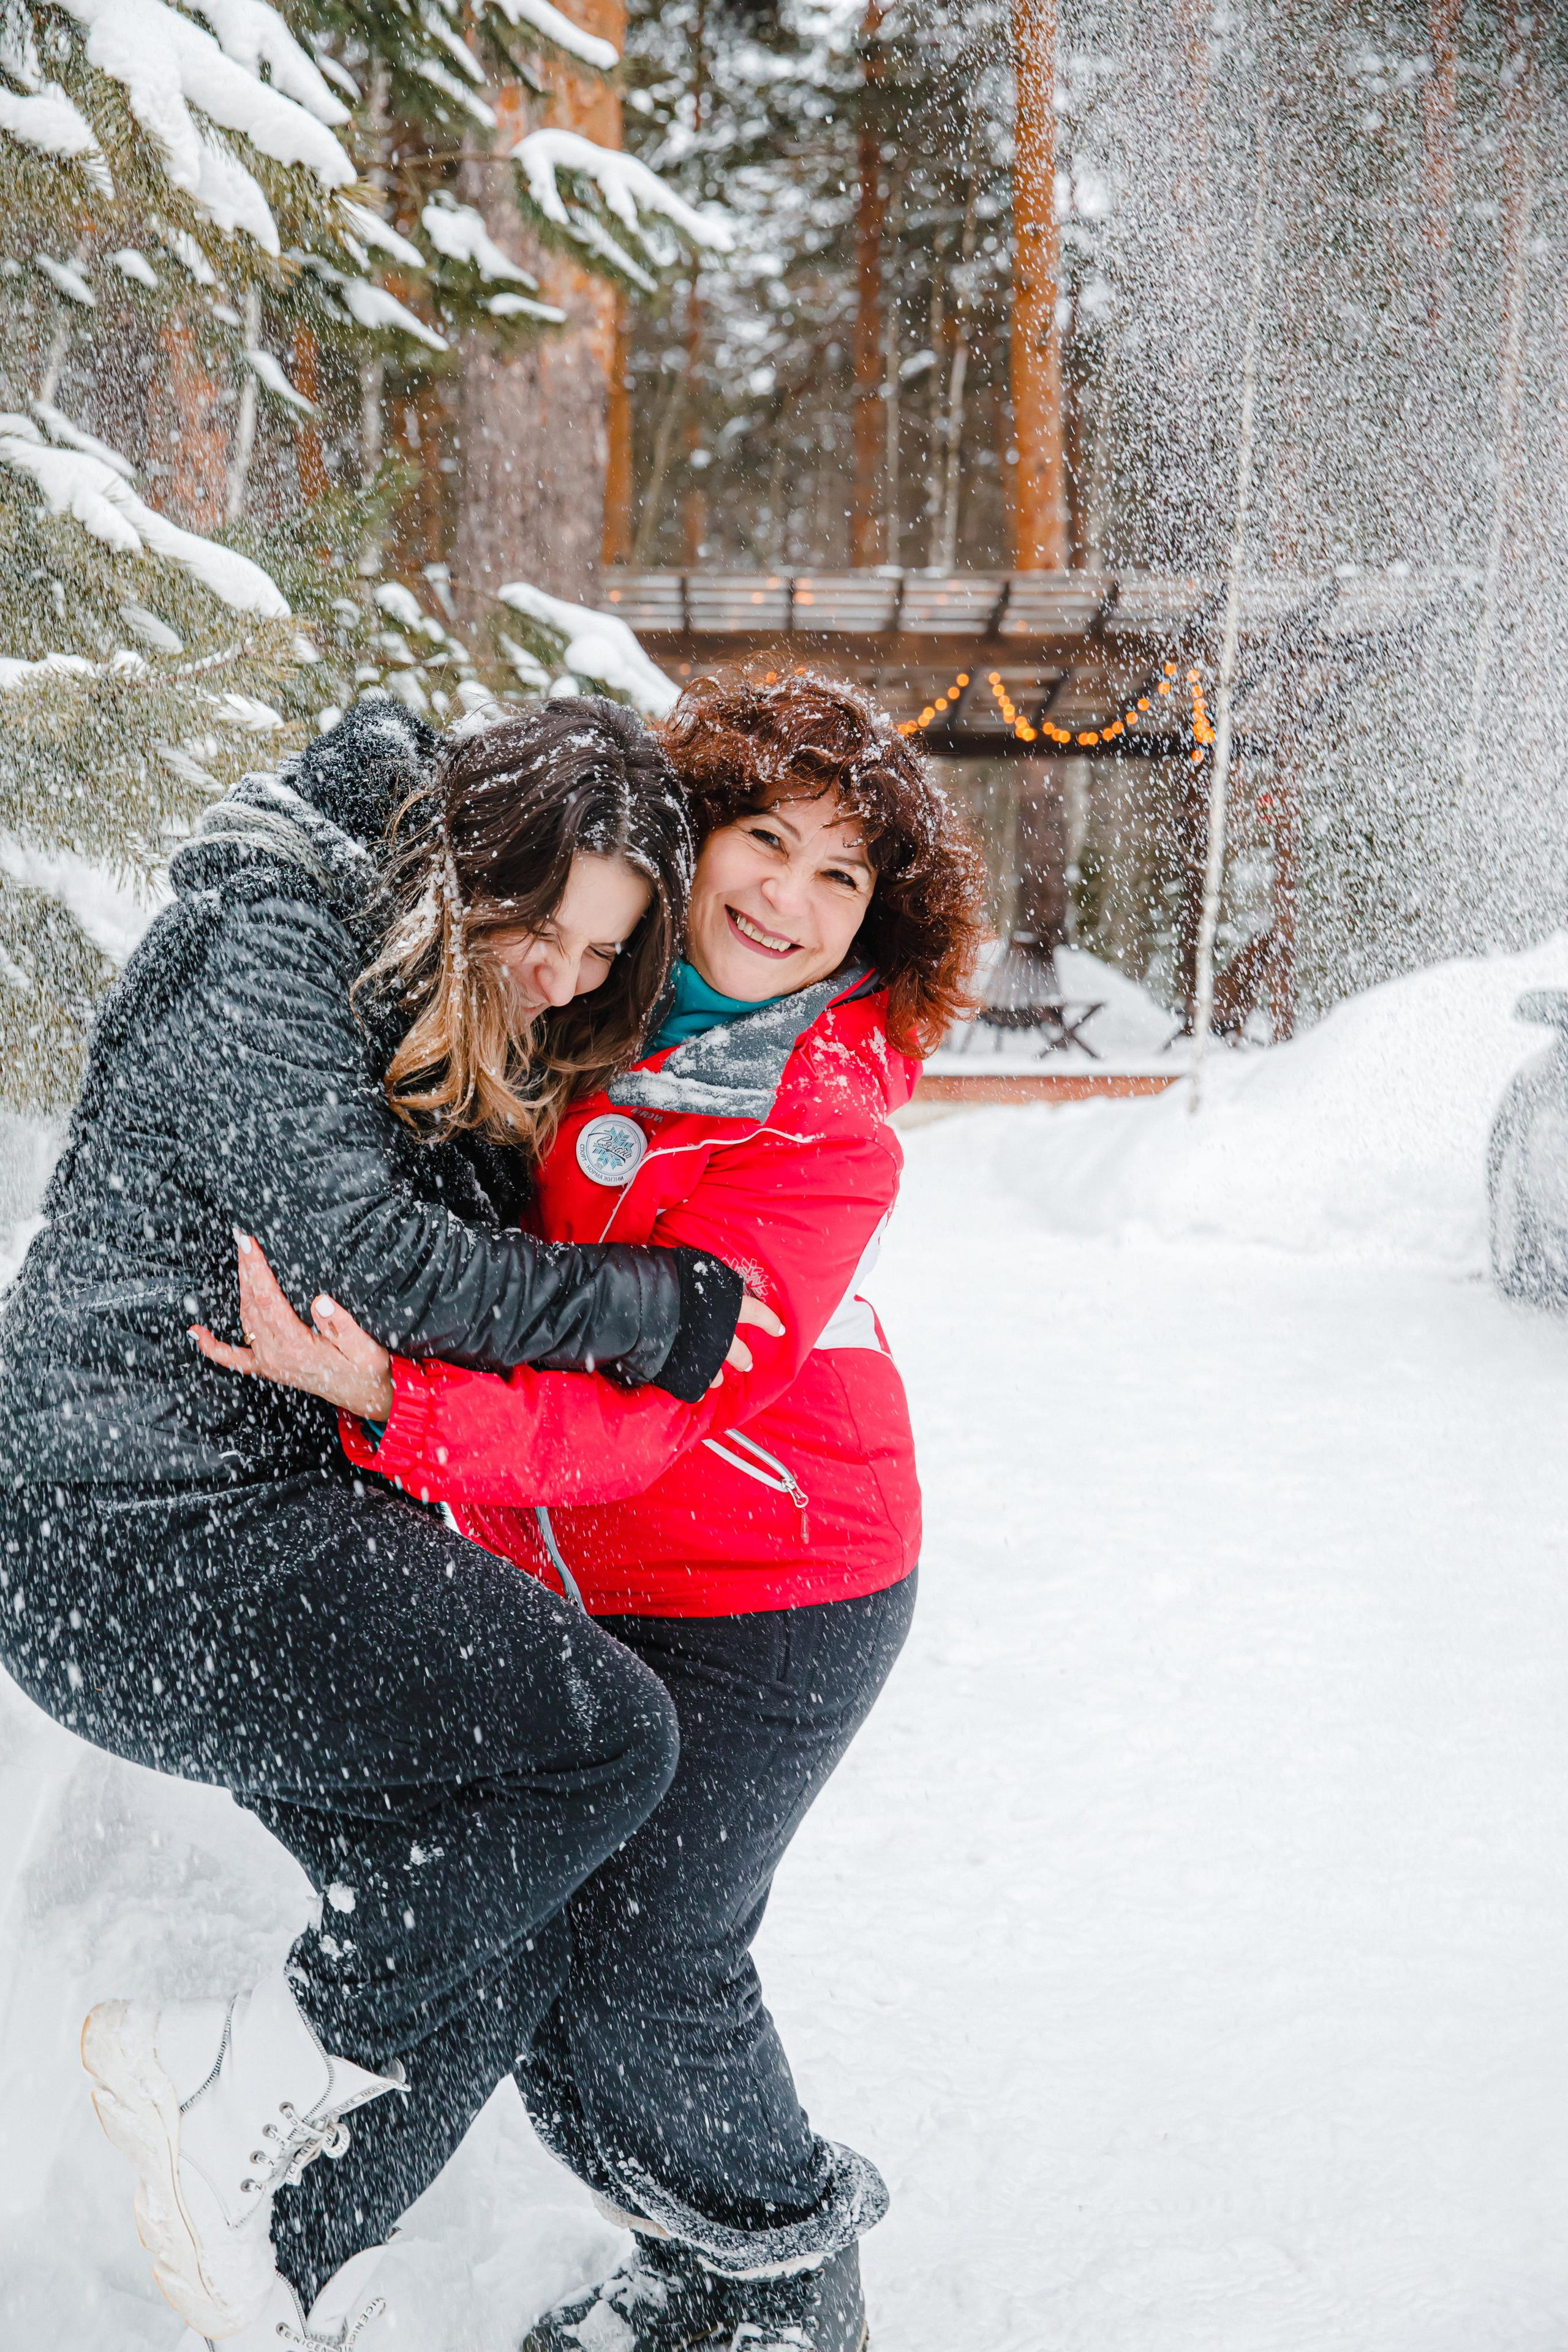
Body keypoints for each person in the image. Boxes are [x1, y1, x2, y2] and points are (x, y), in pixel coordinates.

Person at [201, 672, 989, 2352]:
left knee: (652, 1957)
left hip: (780, 1584)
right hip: (565, 1554)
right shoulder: (583, 981)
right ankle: (683, 2267)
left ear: (878, 921)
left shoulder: (824, 1128)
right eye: (764, 839)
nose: (786, 898)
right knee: (551, 1939)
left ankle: (779, 2284)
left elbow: (647, 1420)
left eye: (840, 879)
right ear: (690, 834)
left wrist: (391, 1407)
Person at [0, 695, 779, 2350]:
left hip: (234, 1522)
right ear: (464, 854)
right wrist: (646, 1307)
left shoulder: (406, 985)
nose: (560, 976)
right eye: (547, 928)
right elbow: (371, 1257)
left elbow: (420, 1266)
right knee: (602, 1745)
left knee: (477, 1936)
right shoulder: (267, 939)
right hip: (122, 1534)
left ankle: (257, 2259)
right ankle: (247, 2068)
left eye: (599, 956)